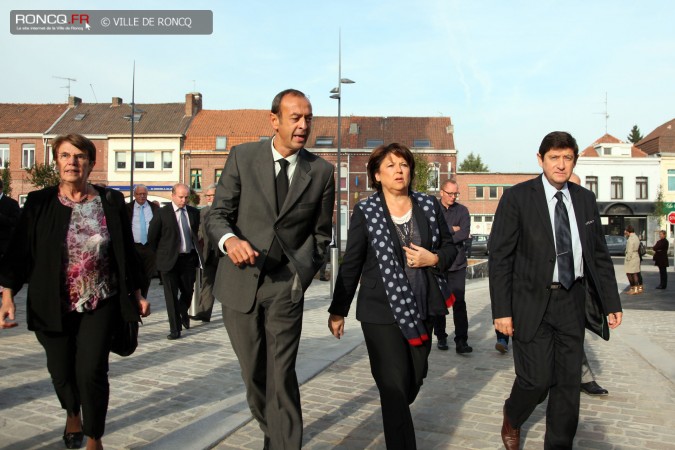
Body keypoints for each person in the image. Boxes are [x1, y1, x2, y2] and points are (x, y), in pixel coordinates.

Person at [0, 133, 150, 450]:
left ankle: (94, 436)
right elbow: (19, 252)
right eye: (66, 155)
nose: (72, 162)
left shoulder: (110, 202)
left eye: (80, 156)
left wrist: (137, 294)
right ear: (56, 162)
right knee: (60, 370)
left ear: (91, 163)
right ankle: (72, 413)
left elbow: (126, 253)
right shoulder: (40, 203)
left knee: (92, 369)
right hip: (52, 302)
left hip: (100, 299)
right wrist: (7, 295)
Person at [207, 88, 335, 449]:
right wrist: (229, 241)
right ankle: (274, 433)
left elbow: (321, 234)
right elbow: (217, 215)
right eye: (295, 117)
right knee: (255, 376)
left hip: (285, 287)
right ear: (274, 120)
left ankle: (284, 444)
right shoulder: (242, 157)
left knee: (281, 375)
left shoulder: (322, 171)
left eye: (308, 117)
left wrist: (301, 276)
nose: (303, 125)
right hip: (238, 285)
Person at [489, 131, 622, 450]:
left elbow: (599, 255)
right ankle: (513, 415)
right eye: (554, 157)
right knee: (536, 381)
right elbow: (500, 257)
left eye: (567, 158)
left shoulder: (585, 200)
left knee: (566, 385)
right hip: (530, 302)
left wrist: (611, 301)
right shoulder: (517, 198)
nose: (561, 164)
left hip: (572, 302)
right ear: (540, 159)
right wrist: (502, 311)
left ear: (574, 160)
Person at [329, 143, 457, 450]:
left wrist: (434, 259)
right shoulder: (366, 211)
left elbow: (451, 248)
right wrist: (338, 310)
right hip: (379, 312)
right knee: (393, 389)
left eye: (403, 164)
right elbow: (353, 262)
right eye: (391, 166)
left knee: (414, 378)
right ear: (377, 175)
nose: (399, 170)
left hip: (424, 306)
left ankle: (402, 396)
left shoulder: (428, 205)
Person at [148, 183, 201, 340]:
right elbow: (152, 237)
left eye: (186, 197)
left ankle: (182, 311)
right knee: (170, 295)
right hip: (168, 260)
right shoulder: (162, 213)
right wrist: (160, 255)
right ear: (172, 195)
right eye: (180, 197)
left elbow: (194, 234)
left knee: (188, 291)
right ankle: (175, 329)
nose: (184, 200)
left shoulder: (193, 213)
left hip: (187, 258)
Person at [434, 178, 472, 353]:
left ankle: (461, 340)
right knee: (439, 302)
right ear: (441, 192)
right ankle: (441, 336)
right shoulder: (433, 210)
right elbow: (432, 232)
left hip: (457, 264)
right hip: (438, 263)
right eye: (450, 193)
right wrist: (452, 229)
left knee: (459, 302)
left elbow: (464, 233)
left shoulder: (463, 211)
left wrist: (445, 234)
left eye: (456, 193)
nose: (453, 197)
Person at [126, 184, 159, 297]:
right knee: (135, 274)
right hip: (134, 247)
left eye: (144, 194)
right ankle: (136, 297)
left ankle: (143, 297)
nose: (142, 196)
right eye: (139, 194)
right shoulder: (128, 208)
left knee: (147, 275)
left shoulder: (154, 208)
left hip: (149, 247)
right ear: (135, 195)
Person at [191, 184, 218, 322]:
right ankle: (204, 312)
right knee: (207, 282)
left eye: (213, 195)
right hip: (209, 253)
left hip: (225, 254)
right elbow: (200, 231)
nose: (210, 198)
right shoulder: (203, 212)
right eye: (208, 196)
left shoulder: (226, 210)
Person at [0, 179, 21, 259]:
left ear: (1, 189)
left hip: (3, 245)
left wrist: (1, 217)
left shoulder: (11, 203)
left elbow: (16, 222)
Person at [624, 225, 641, 295]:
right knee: (635, 273)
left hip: (631, 257)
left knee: (629, 273)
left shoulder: (630, 239)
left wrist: (628, 258)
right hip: (636, 256)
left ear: (628, 231)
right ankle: (636, 289)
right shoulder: (636, 237)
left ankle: (632, 288)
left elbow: (630, 250)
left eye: (626, 231)